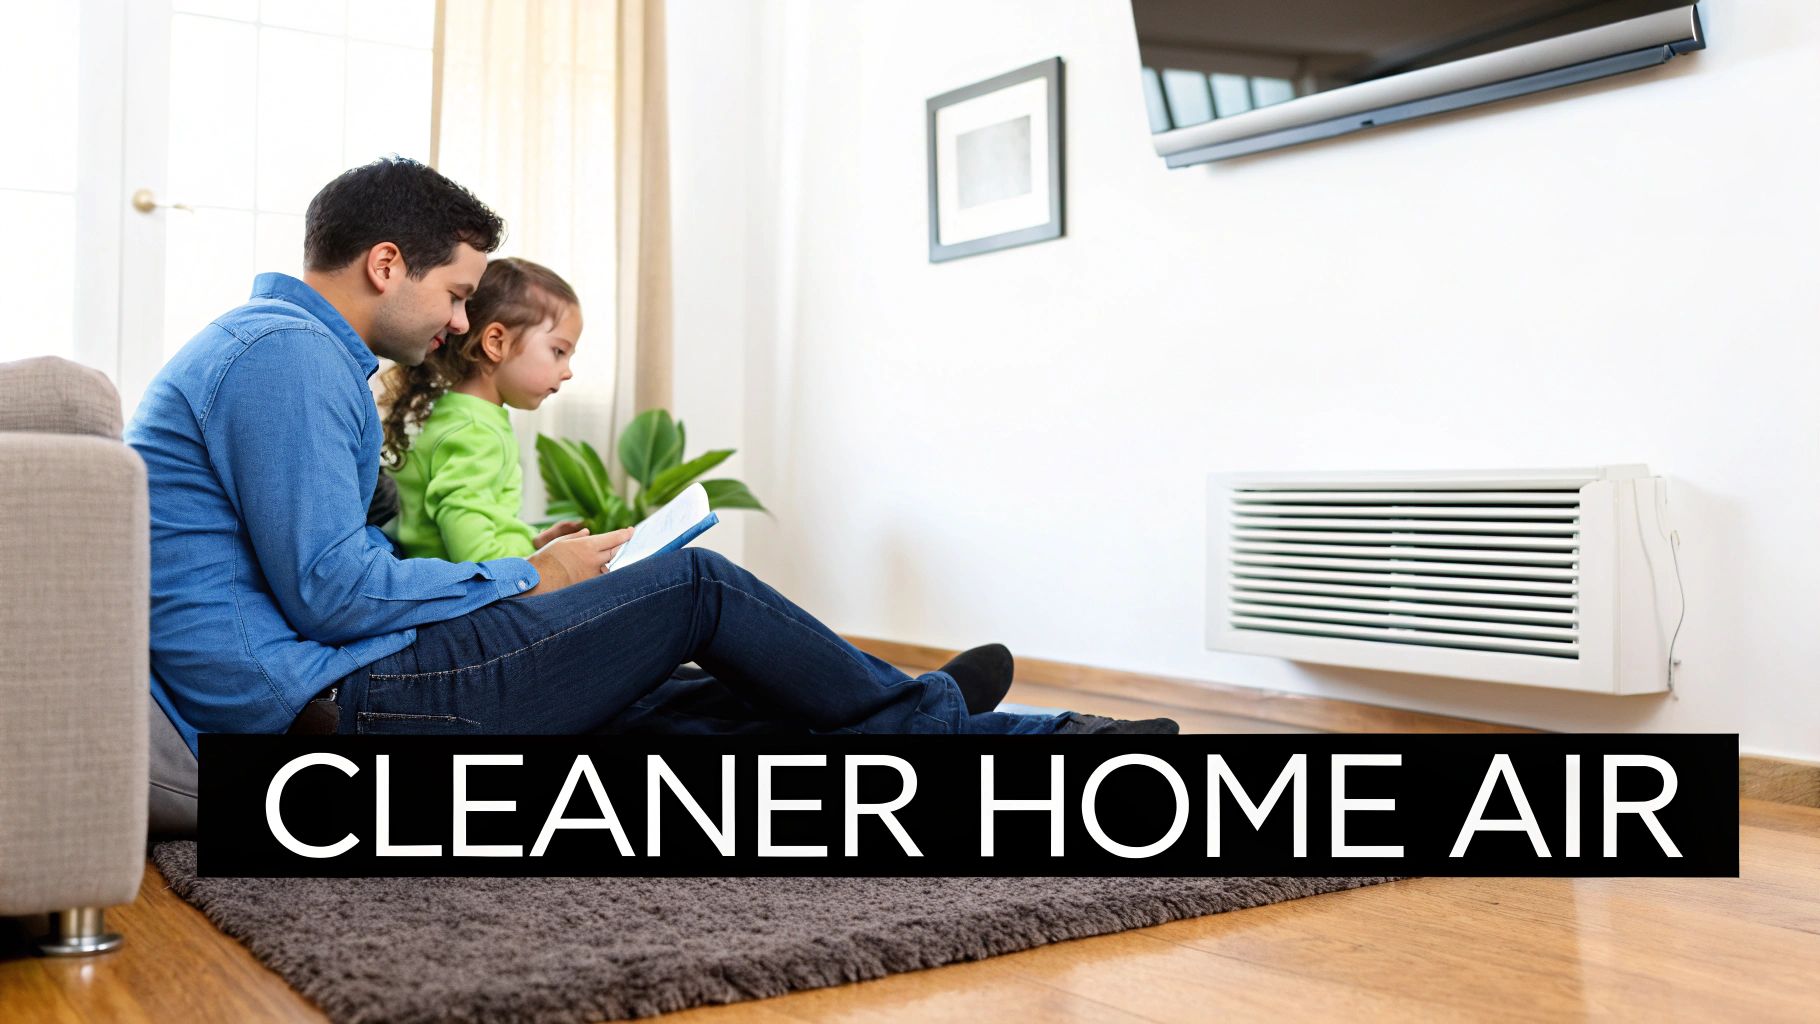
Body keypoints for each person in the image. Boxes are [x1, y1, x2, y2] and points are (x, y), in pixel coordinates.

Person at [126, 157, 1176, 755]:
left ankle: (1010, 735)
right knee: (694, 591)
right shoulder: (285, 362)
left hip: (334, 683)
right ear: (384, 263)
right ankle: (943, 723)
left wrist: (527, 569)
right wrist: (530, 574)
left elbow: (333, 571)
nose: (455, 323)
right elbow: (327, 593)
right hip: (328, 703)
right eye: (454, 294)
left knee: (668, 698)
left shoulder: (284, 355)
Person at [377, 256, 588, 563]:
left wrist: (535, 545)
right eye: (558, 351)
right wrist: (547, 566)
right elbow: (474, 556)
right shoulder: (475, 430)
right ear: (496, 342)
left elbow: (479, 526)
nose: (567, 371)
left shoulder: (456, 413)